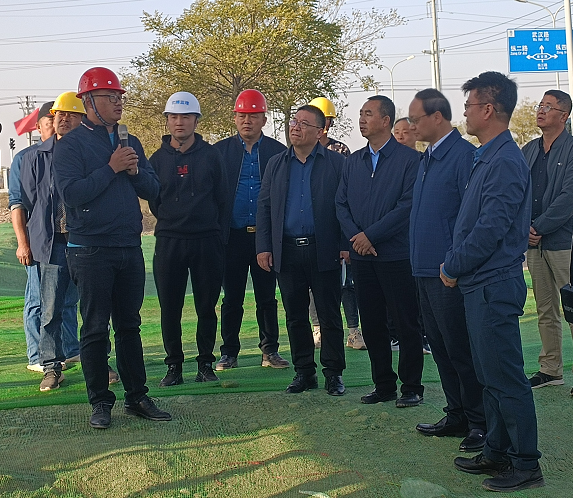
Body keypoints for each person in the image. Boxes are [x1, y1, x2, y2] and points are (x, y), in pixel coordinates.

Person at [53, 67, 171, 429]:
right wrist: (110, 168)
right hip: (89, 249)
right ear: (88, 101)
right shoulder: (70, 145)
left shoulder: (129, 140)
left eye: (120, 96)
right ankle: (100, 402)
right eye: (110, 97)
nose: (118, 102)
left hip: (128, 246)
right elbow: (71, 194)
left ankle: (137, 397)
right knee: (94, 328)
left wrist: (134, 172)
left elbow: (154, 190)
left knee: (129, 325)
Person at [443, 72, 543, 492]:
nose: (464, 113)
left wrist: (453, 264)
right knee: (490, 375)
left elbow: (490, 228)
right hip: (481, 283)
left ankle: (525, 463)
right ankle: (497, 451)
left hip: (492, 283)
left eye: (468, 106)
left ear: (487, 109)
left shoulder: (503, 160)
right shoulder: (489, 156)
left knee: (505, 377)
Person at [407, 88, 486, 452]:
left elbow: (470, 219)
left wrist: (454, 263)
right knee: (440, 347)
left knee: (460, 349)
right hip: (424, 269)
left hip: (448, 272)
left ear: (437, 117)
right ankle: (456, 413)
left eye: (416, 119)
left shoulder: (464, 156)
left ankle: (478, 421)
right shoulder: (428, 157)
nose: (411, 126)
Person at [336, 95, 423, 408]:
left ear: (386, 120)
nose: (362, 119)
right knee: (372, 324)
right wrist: (357, 238)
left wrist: (370, 235)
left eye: (368, 114)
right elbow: (341, 204)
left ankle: (411, 386)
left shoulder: (410, 161)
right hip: (363, 258)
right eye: (361, 113)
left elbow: (407, 206)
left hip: (396, 255)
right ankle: (383, 384)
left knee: (405, 323)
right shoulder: (353, 161)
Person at [256, 105, 347, 396]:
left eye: (304, 123)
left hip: (324, 249)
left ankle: (333, 373)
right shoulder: (277, 164)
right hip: (287, 251)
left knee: (329, 315)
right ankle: (304, 372)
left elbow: (346, 206)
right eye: (294, 121)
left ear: (320, 132)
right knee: (295, 316)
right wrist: (264, 247)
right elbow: (265, 207)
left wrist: (345, 245)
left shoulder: (336, 164)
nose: (295, 127)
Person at [149, 92, 228, 386]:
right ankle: (174, 367)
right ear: (167, 121)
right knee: (170, 309)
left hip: (206, 240)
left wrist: (215, 234)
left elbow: (222, 198)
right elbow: (154, 201)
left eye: (185, 117)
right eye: (174, 117)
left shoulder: (211, 156)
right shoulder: (156, 160)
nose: (179, 122)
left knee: (206, 307)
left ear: (196, 121)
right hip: (169, 241)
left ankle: (205, 364)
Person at [213, 90, 289, 371]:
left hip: (264, 237)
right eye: (242, 115)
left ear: (264, 119)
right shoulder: (220, 152)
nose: (247, 121)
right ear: (235, 118)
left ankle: (270, 351)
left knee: (266, 297)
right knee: (231, 298)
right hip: (231, 236)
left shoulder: (278, 152)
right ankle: (228, 353)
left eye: (254, 116)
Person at [20, 92, 86, 391]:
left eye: (71, 114)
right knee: (50, 310)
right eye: (60, 114)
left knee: (93, 308)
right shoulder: (34, 157)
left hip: (85, 241)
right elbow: (29, 201)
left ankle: (98, 361)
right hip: (52, 244)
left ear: (82, 119)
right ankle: (51, 367)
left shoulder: (90, 152)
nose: (64, 119)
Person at [521, 90, 573, 390]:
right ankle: (551, 369)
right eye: (540, 105)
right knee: (545, 308)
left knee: (572, 308)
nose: (541, 110)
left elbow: (569, 197)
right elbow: (518, 191)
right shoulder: (529, 149)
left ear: (564, 116)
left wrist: (538, 226)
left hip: (564, 241)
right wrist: (525, 228)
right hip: (534, 242)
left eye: (548, 107)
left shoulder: (571, 148)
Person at [307, 97, 365, 351]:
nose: (324, 125)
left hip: (338, 227)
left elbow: (349, 193)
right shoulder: (299, 152)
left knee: (347, 284)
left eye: (327, 120)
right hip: (311, 229)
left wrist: (346, 238)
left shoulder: (340, 151)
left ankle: (353, 330)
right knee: (313, 285)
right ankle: (317, 328)